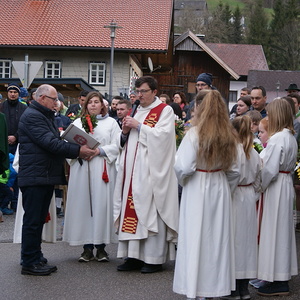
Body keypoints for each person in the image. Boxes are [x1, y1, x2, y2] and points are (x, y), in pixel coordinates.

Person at [18, 84, 96, 276]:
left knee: (37, 219)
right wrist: (78, 150)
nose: (57, 103)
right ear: (42, 98)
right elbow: (50, 143)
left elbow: (55, 139)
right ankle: (29, 261)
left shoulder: (43, 115)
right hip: (36, 175)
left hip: (42, 174)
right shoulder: (33, 116)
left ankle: (35, 256)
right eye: (54, 99)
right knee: (33, 221)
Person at [173, 90, 240, 299]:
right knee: (217, 240)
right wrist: (224, 187)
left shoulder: (194, 134)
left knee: (195, 237)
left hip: (197, 186)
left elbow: (183, 167)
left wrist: (185, 181)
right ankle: (215, 287)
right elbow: (235, 171)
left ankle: (195, 287)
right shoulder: (230, 135)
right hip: (219, 185)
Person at [114, 76, 179, 273]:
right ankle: (133, 256)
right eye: (138, 91)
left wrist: (139, 126)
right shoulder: (136, 109)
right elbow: (126, 141)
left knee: (150, 209)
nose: (139, 95)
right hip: (132, 171)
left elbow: (164, 138)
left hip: (151, 171)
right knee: (132, 211)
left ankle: (153, 258)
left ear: (154, 92)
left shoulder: (164, 110)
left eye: (143, 91)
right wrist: (125, 132)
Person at [63, 91, 120, 262]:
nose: (93, 105)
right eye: (90, 102)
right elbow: (66, 144)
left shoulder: (111, 123)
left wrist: (99, 151)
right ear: (85, 105)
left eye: (97, 102)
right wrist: (78, 152)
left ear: (103, 105)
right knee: (83, 206)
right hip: (82, 168)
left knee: (102, 206)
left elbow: (118, 145)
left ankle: (101, 247)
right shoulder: (78, 123)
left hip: (102, 167)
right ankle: (86, 247)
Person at [257, 98, 298, 296]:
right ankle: (281, 273)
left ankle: (276, 278)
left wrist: (259, 187)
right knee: (282, 231)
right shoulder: (289, 136)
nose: (268, 117)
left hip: (275, 187)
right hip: (285, 184)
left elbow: (269, 170)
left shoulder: (277, 138)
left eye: (270, 114)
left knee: (273, 231)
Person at [221, 115, 261, 300]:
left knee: (234, 242)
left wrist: (224, 194)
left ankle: (233, 288)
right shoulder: (254, 153)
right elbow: (260, 179)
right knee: (246, 244)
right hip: (249, 197)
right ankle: (243, 288)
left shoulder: (233, 151)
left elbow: (231, 176)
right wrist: (254, 193)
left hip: (235, 197)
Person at [0, 83, 27, 155]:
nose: (13, 94)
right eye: (10, 92)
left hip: (19, 143)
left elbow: (26, 125)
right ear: (7, 93)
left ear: (18, 94)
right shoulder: (1, 107)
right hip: (3, 143)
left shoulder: (24, 108)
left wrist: (16, 136)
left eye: (15, 92)